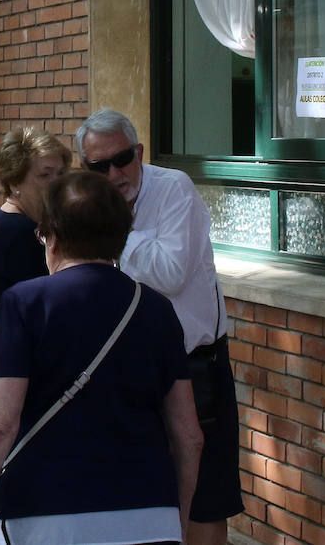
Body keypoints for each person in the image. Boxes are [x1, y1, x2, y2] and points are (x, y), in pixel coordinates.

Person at [0, 171, 204, 545]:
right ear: (121, 238)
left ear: (53, 238)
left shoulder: (26, 303)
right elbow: (189, 436)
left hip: (44, 517)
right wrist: (176, 522)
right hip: (150, 515)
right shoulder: (158, 310)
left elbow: (0, 422)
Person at [76, 108, 245, 545]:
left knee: (205, 497)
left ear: (139, 151)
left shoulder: (173, 189)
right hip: (127, 368)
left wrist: (109, 232)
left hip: (194, 366)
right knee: (139, 495)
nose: (115, 173)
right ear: (85, 168)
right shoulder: (85, 202)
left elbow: (169, 272)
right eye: (99, 166)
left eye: (123, 159)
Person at [0, 127, 70, 324]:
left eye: (61, 173)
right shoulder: (19, 233)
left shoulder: (22, 222)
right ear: (14, 183)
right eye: (45, 175)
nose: (57, 183)